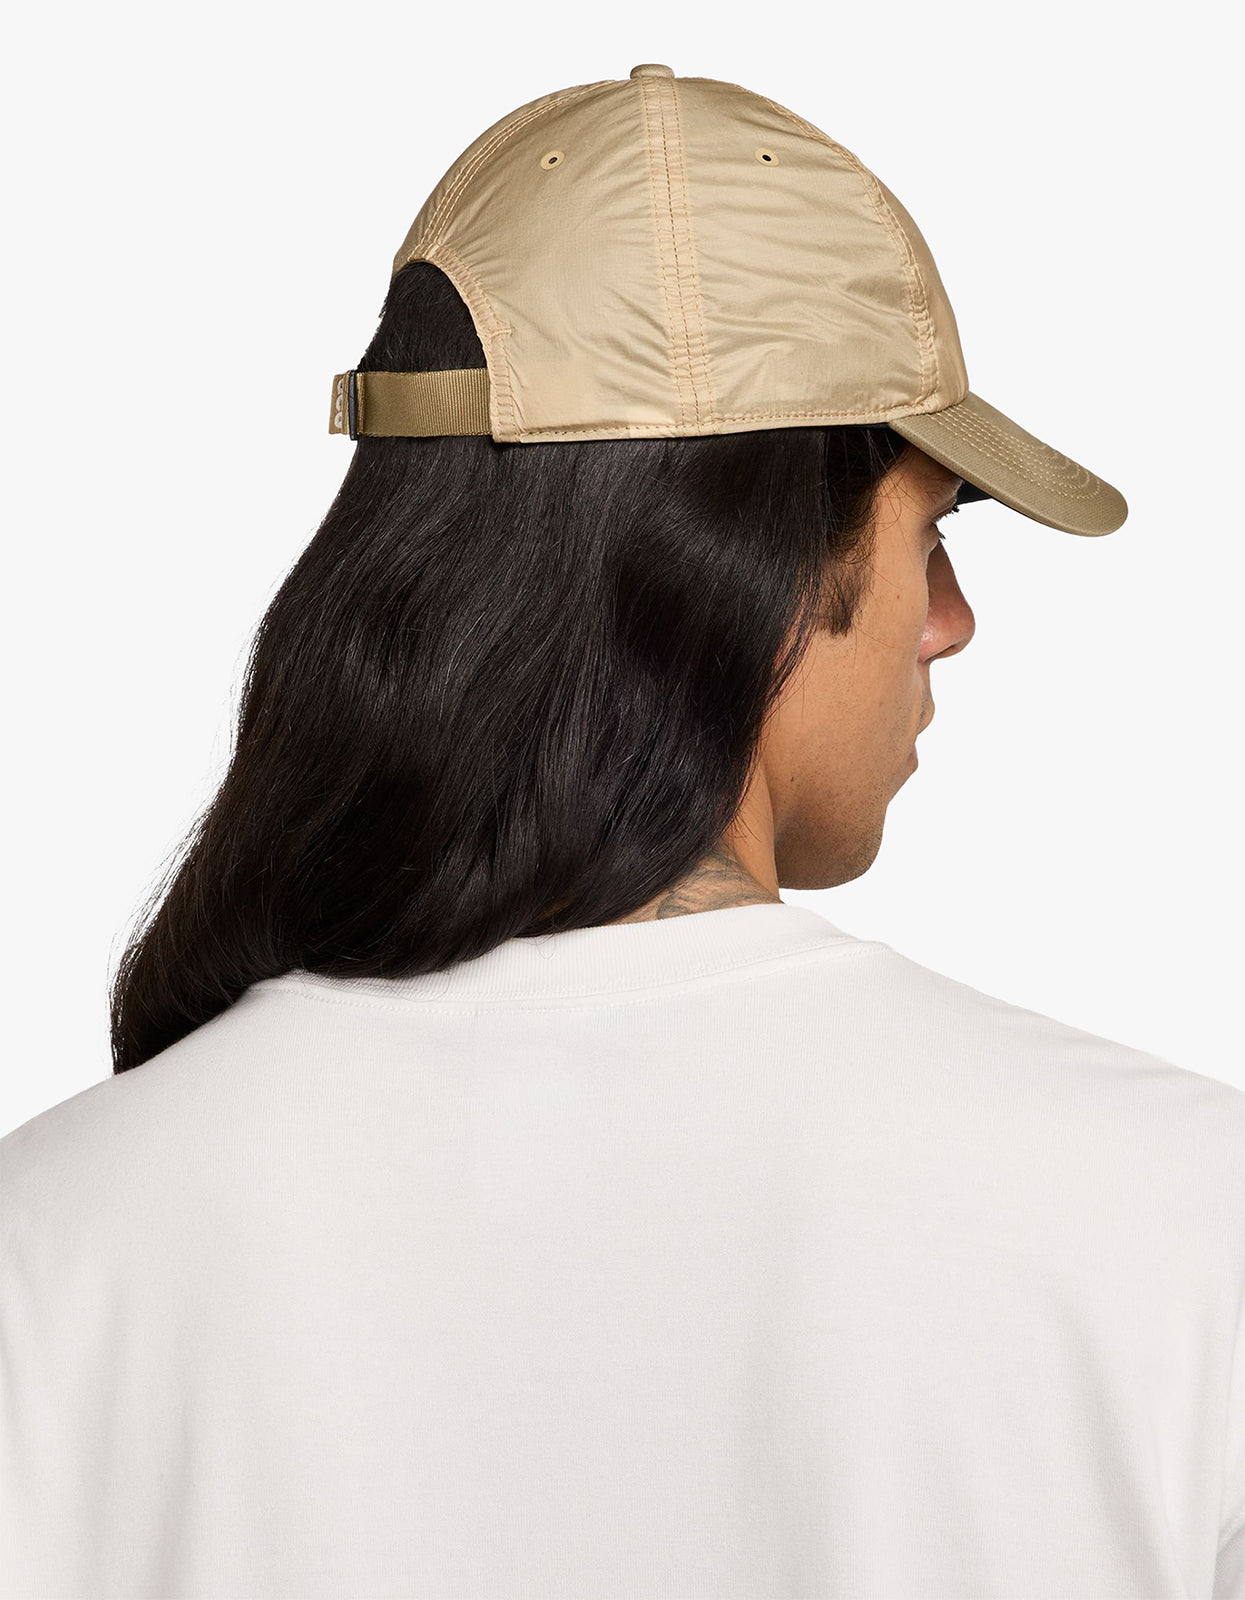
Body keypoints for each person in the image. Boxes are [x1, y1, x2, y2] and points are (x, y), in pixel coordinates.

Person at [2, 62, 1241, 1600]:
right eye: (928, 532)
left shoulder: (53, 1250)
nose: (949, 621)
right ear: (754, 559)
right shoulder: (1182, 1221)